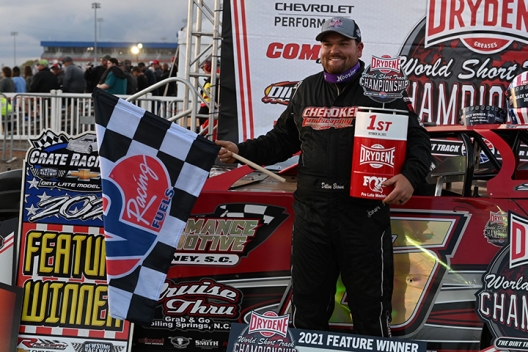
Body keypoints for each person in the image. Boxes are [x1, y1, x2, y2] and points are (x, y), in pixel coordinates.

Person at [216, 17, 431, 337]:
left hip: (363, 214)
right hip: (312, 215)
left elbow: (418, 141)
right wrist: (240, 149)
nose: (334, 50)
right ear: (320, 49)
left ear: (359, 48)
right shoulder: (306, 88)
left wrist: (410, 178)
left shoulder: (380, 90)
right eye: (328, 44)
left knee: (369, 306)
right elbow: (281, 140)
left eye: (343, 44)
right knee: (308, 306)